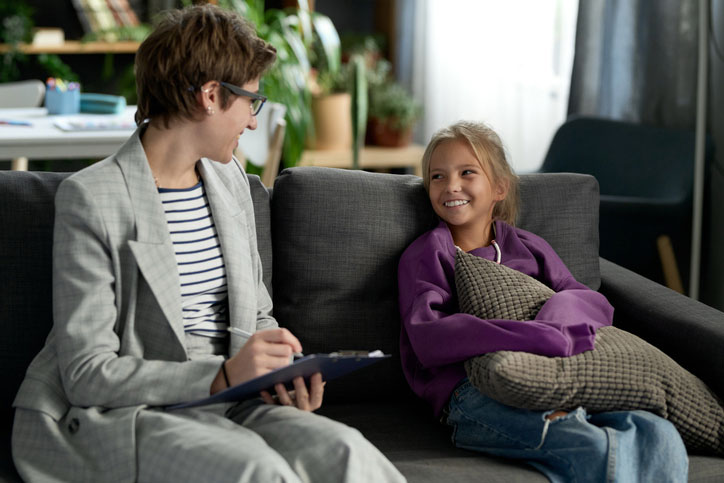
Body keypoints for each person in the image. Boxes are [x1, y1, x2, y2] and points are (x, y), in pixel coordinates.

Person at [11, 5, 405, 483]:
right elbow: (87, 372)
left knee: (348, 453)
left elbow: (257, 316)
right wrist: (221, 376)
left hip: (234, 394)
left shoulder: (230, 178)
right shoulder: (92, 198)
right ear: (211, 96)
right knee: (257, 470)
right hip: (132, 409)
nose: (255, 123)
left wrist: (281, 372)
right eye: (252, 103)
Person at [397, 120, 688, 482]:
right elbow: (429, 337)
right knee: (592, 448)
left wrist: (554, 327)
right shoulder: (427, 253)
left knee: (660, 435)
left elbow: (585, 298)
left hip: (553, 379)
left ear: (500, 186)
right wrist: (531, 336)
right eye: (437, 176)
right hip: (471, 395)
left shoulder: (528, 246)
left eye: (467, 172)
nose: (451, 185)